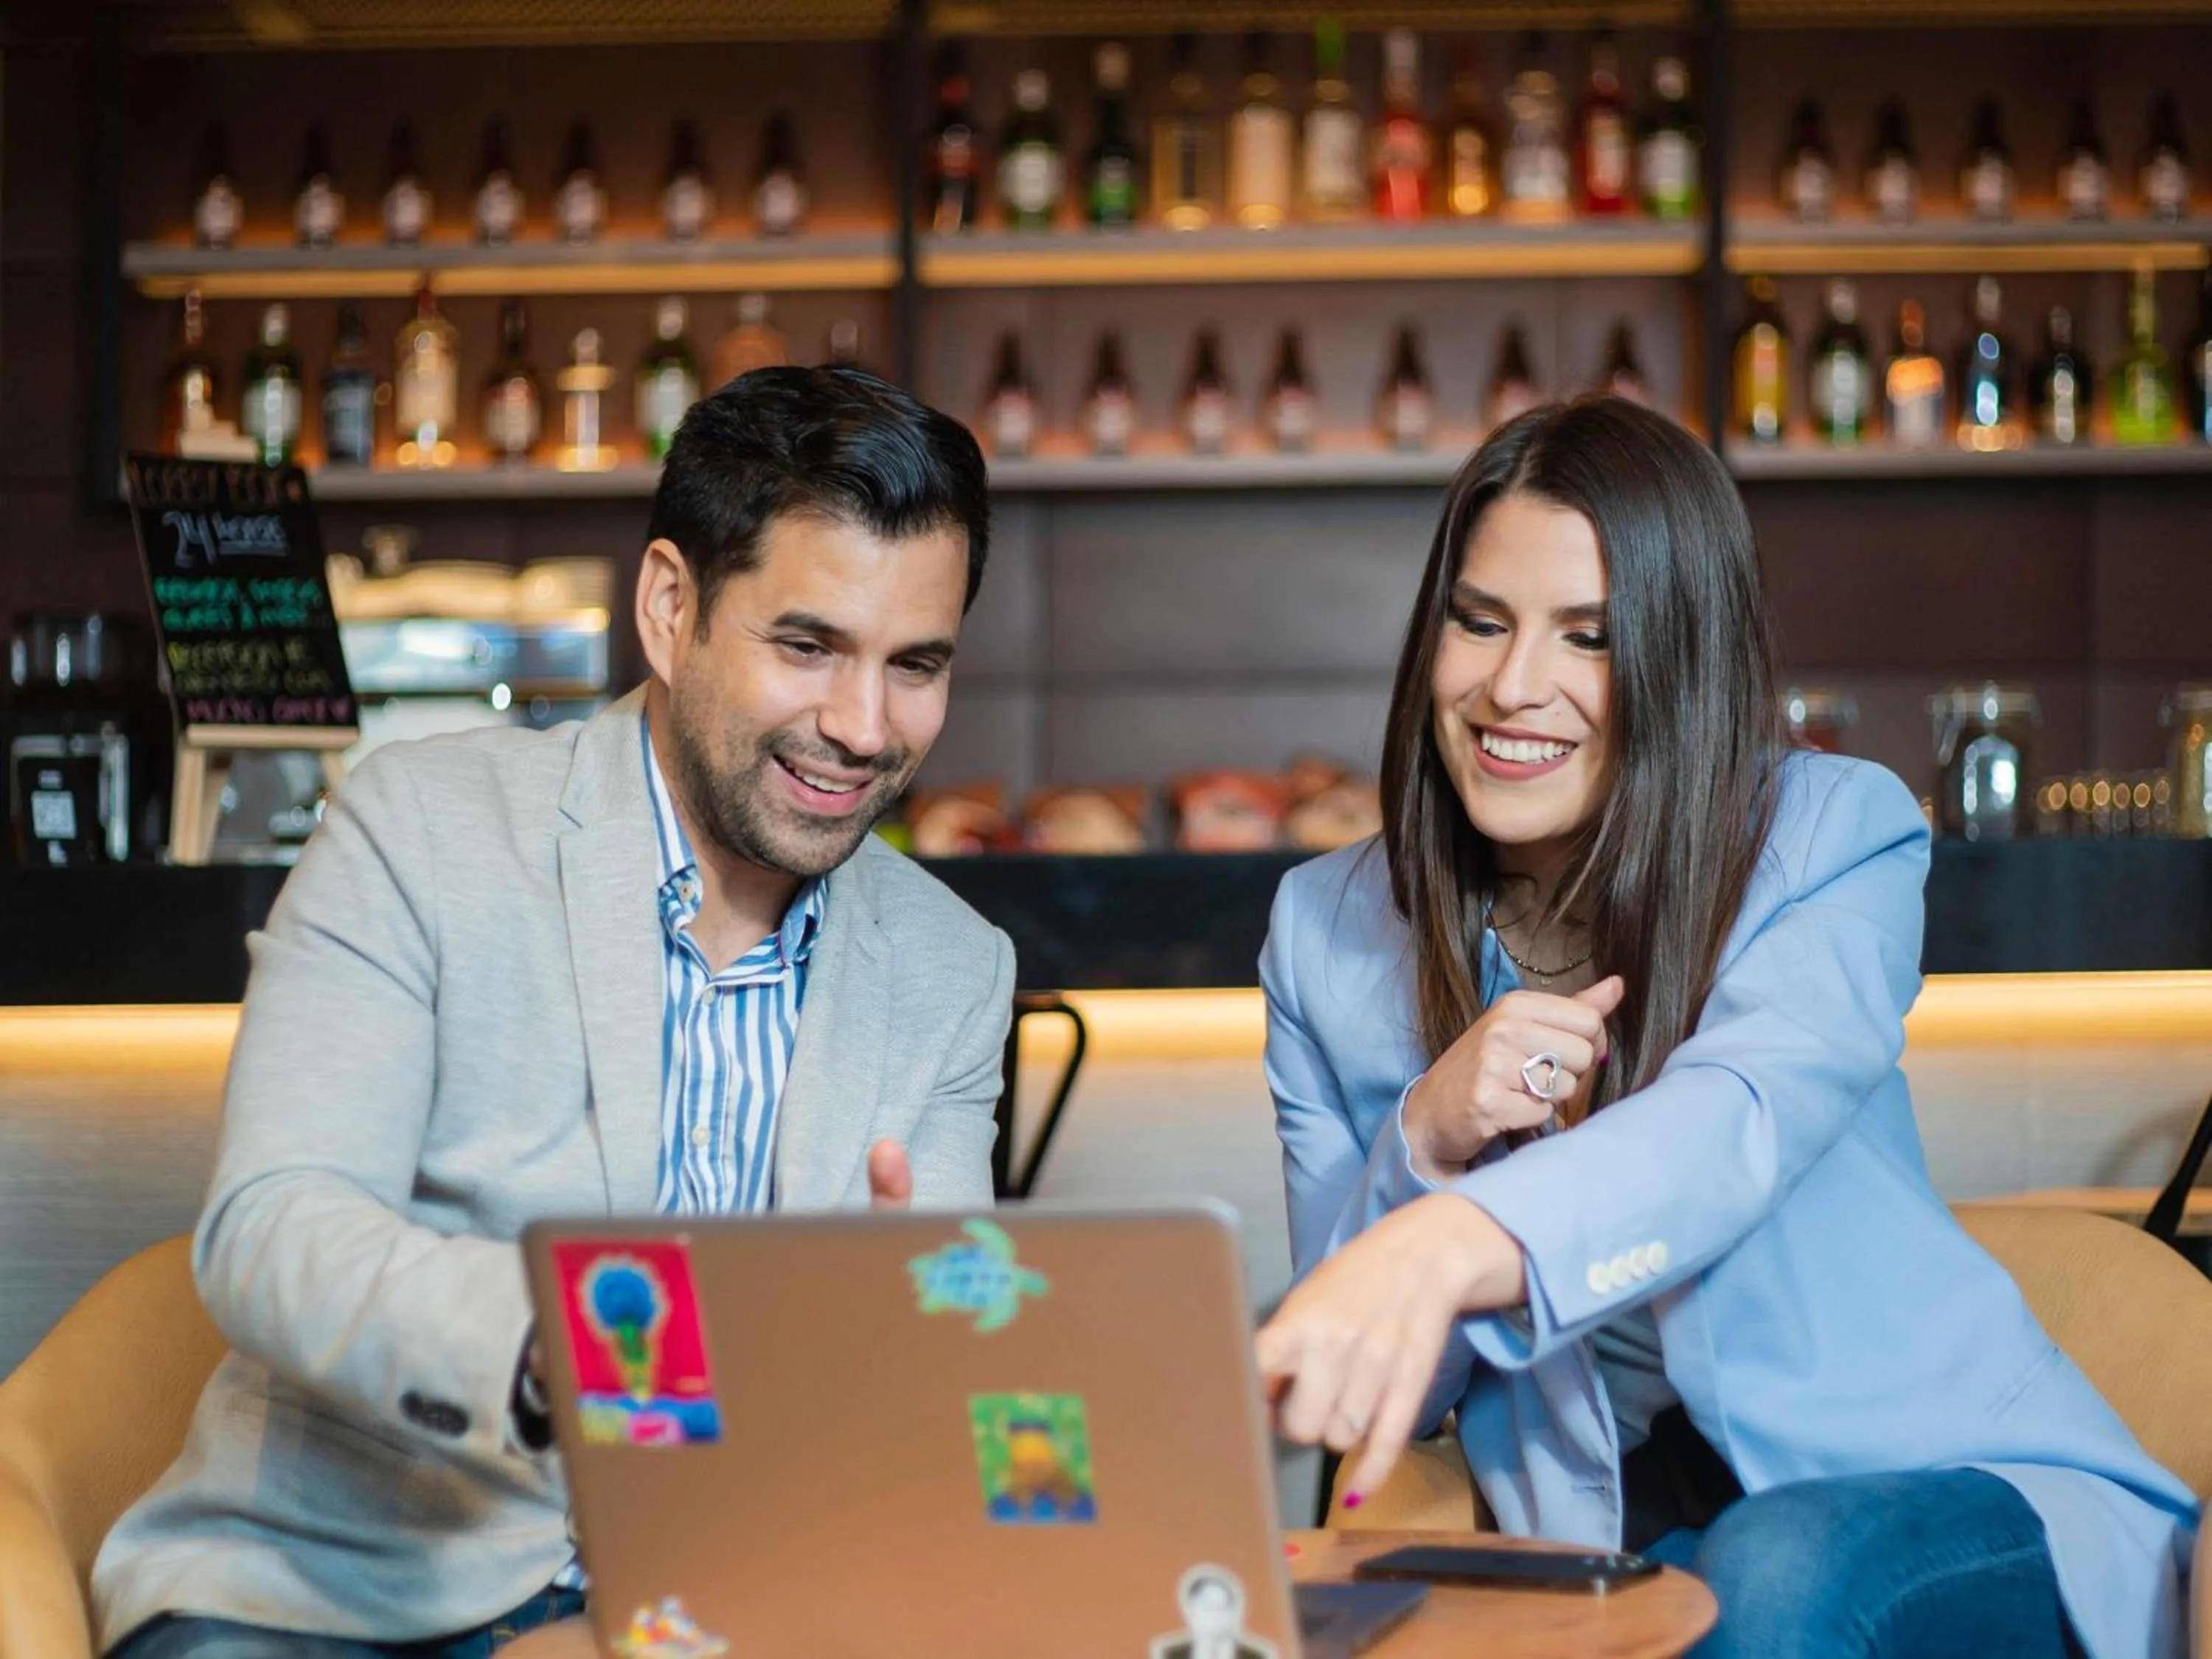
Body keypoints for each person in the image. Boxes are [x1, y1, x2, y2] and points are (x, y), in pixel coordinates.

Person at [1252, 397, 2197, 1659]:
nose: (1512, 686)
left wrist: (1454, 1238)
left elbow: (1738, 1120)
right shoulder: (1326, 933)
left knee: (1772, 1569)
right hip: (1615, 1535)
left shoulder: (1830, 833)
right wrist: (1424, 1138)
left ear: (1681, 656)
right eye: (1480, 621)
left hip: (1952, 1494)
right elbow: (1388, 1389)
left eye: (1589, 637)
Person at [94, 366, 1016, 1657]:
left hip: (721, 1606)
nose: (862, 727)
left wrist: (917, 1341)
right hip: (346, 1599)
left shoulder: (952, 964)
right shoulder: (416, 828)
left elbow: (941, 1333)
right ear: (670, 605)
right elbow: (273, 1229)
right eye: (807, 645)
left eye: (914, 665)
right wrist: (569, 1346)